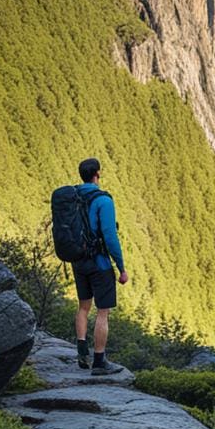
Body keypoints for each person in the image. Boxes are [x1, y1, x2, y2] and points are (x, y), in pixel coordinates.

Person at [72, 157, 128, 375]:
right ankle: (99, 361)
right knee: (102, 312)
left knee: (83, 307)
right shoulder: (103, 200)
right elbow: (110, 236)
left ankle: (81, 350)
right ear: (98, 174)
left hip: (78, 261)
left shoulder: (73, 197)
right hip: (99, 262)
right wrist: (121, 267)